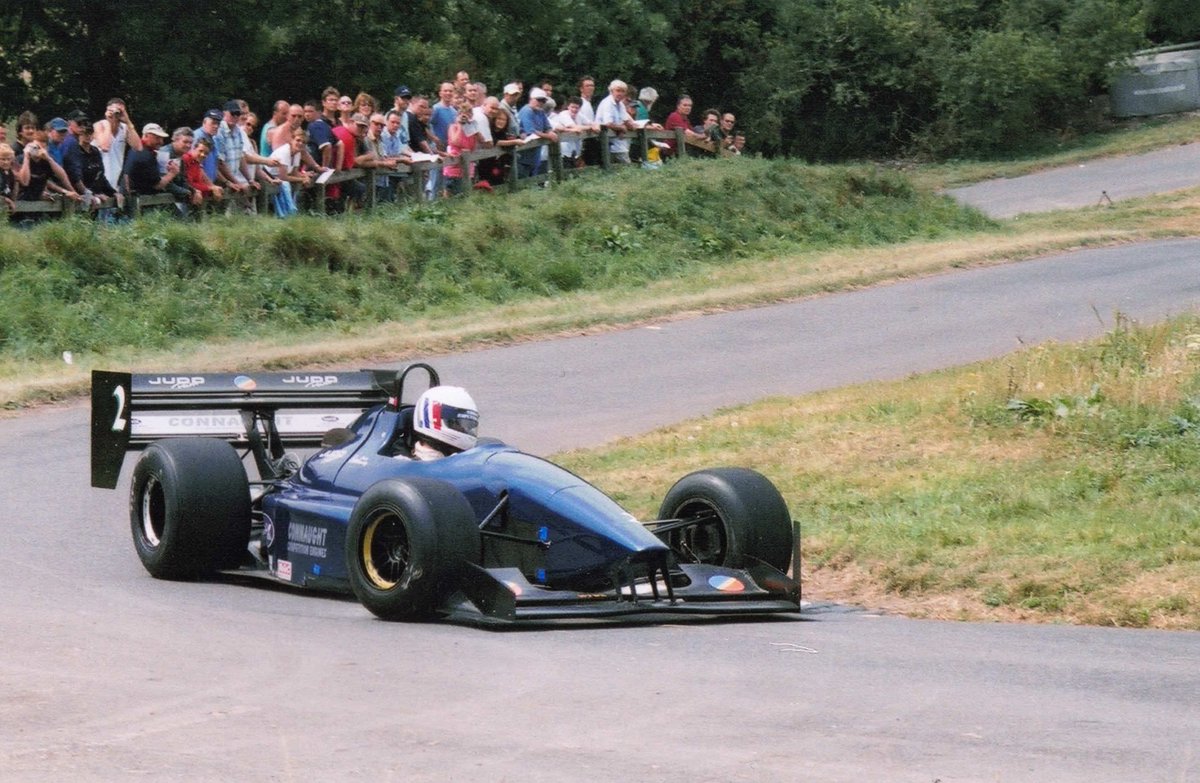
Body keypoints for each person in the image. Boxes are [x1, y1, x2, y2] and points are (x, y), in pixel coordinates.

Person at [404, 386, 479, 461]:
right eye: (457, 424)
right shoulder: (403, 464)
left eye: (468, 426)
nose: (464, 429)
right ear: (435, 418)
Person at [93, 99, 142, 191]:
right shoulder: (99, 125)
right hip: (97, 179)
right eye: (114, 110)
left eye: (120, 111)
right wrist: (109, 123)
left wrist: (128, 121)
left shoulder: (124, 128)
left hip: (114, 179)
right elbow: (105, 147)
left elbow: (138, 147)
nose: (116, 113)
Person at [595, 79, 637, 164]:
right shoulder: (607, 103)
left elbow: (625, 120)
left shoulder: (620, 104)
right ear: (611, 91)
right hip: (606, 142)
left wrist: (629, 126)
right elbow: (608, 123)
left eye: (623, 91)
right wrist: (622, 128)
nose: (620, 94)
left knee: (621, 167)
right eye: (618, 90)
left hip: (618, 143)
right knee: (625, 167)